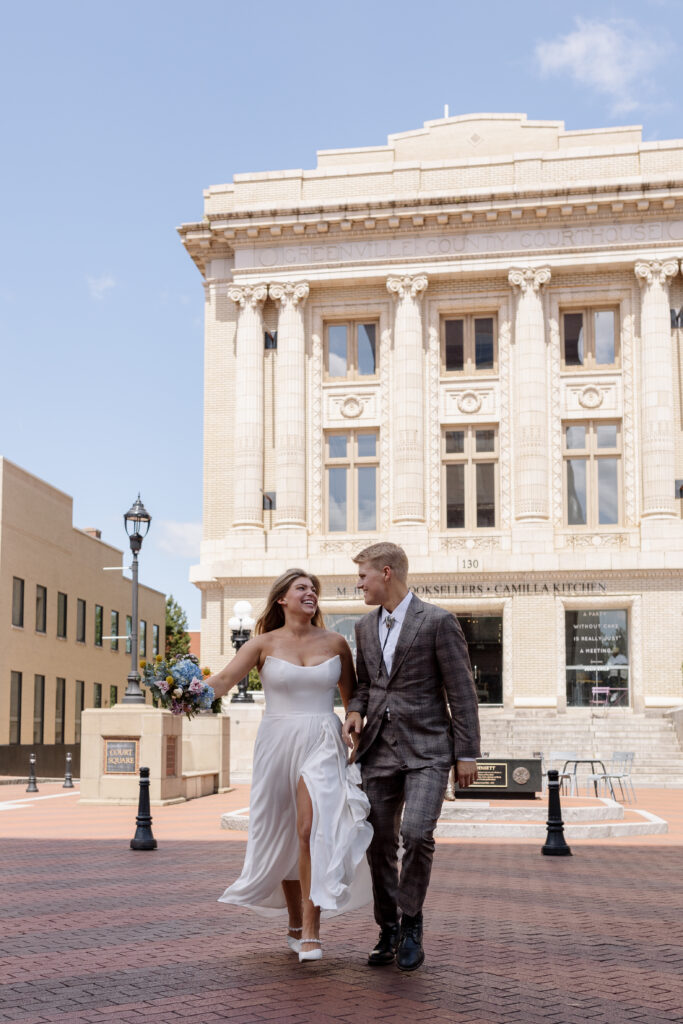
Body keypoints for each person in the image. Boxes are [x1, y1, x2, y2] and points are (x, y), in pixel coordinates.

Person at [204, 569, 372, 964]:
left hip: (321, 738)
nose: (310, 593)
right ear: (282, 598)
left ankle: (313, 928)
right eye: (302, 588)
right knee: (284, 832)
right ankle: (295, 921)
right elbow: (226, 680)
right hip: (277, 740)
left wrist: (355, 719)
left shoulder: (336, 643)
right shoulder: (261, 643)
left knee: (311, 827)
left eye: (314, 589)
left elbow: (353, 696)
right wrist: (181, 691)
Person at [341, 542, 481, 972]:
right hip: (378, 750)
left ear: (386, 572)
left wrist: (467, 753)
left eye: (362, 576)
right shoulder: (364, 627)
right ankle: (388, 928)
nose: (358, 584)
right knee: (379, 844)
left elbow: (462, 691)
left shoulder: (438, 621)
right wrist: (354, 710)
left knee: (417, 835)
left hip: (429, 751)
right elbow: (367, 685)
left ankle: (412, 922)